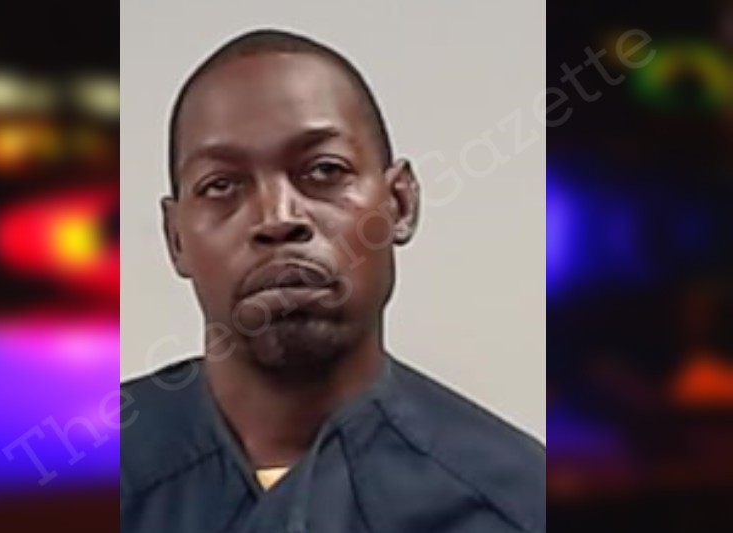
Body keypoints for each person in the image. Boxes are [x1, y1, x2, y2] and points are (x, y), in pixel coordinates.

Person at [121, 29, 545, 533]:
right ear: (176, 238)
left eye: (324, 170)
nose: (278, 217)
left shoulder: (518, 503)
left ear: (399, 204)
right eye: (222, 185)